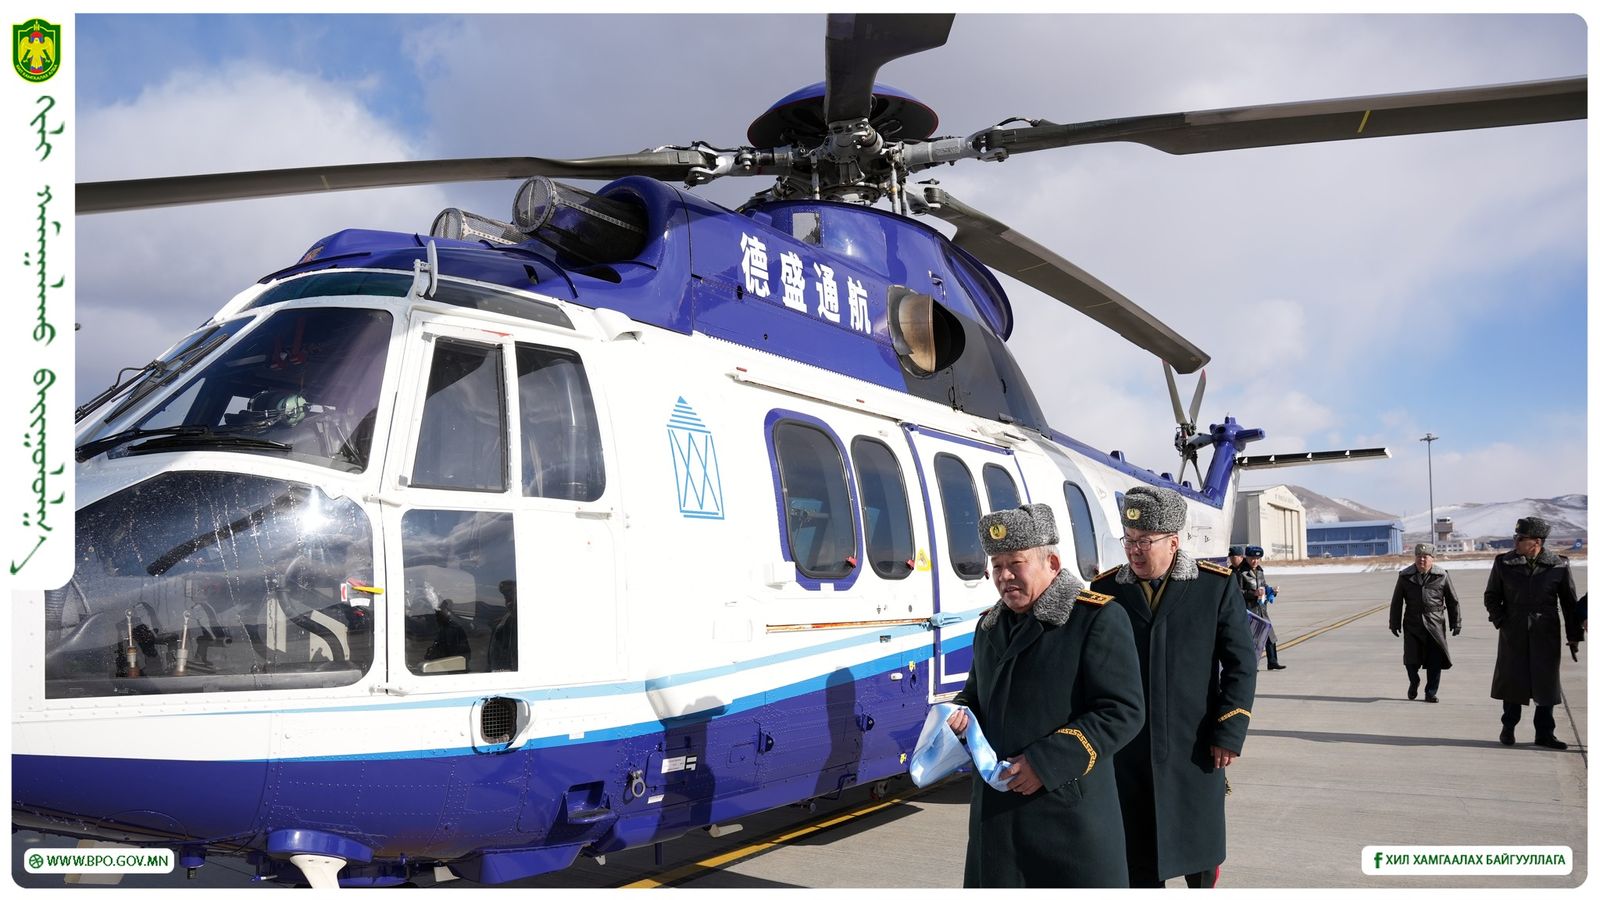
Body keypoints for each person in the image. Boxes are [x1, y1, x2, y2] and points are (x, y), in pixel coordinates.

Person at [946, 503, 1145, 887]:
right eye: (996, 566)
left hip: (1065, 816)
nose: (1004, 576)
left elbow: (1122, 710)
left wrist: (1045, 763)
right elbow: (975, 694)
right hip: (997, 822)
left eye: (1015, 564)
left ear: (1051, 563)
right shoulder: (988, 628)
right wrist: (958, 716)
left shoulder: (1095, 619)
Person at [1093, 485, 1257, 889]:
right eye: (1129, 540)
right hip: (1127, 754)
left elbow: (1240, 664)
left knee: (1199, 856)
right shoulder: (1107, 591)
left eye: (1144, 541)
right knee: (1136, 859)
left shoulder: (1213, 587)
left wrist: (1229, 730)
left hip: (1194, 749)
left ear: (1172, 542)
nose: (1134, 551)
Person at [1485, 516, 1582, 749]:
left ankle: (1545, 734)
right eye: (1516, 537)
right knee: (1512, 680)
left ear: (1536, 542)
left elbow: (1569, 603)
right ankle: (1508, 728)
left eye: (1520, 538)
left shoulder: (1558, 565)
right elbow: (1491, 596)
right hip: (1513, 630)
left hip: (1545, 631)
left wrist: (1574, 636)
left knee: (1546, 683)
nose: (1516, 541)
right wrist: (1502, 620)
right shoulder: (1504, 563)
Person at [1388, 543, 1461, 702]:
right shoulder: (1405, 576)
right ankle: (1414, 681)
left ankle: (1431, 692)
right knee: (1411, 659)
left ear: (1432, 559)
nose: (1421, 559)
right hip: (1412, 623)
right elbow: (1397, 602)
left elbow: (1452, 601)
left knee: (1435, 660)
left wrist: (1456, 622)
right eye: (1419, 556)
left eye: (1425, 557)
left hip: (1435, 624)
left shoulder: (1442, 575)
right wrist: (1394, 623)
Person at [1237, 545, 1284, 670]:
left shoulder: (1260, 571)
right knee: (1254, 639)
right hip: (1250, 610)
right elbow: (1238, 592)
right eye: (1252, 558)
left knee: (1270, 636)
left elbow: (1264, 586)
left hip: (1262, 608)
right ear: (1247, 558)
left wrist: (1271, 591)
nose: (1255, 561)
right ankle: (1252, 664)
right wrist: (1253, 593)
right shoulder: (1241, 573)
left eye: (1258, 559)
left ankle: (1272, 661)